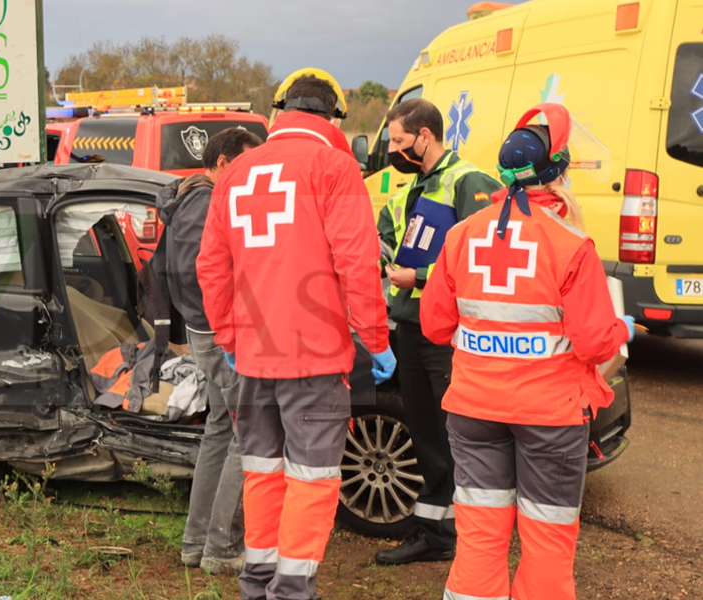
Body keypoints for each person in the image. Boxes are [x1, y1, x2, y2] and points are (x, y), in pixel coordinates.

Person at [420, 103, 634, 600]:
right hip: (550, 417)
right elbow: (594, 341)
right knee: (546, 544)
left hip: (473, 410)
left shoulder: (459, 236)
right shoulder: (571, 245)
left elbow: (434, 325)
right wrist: (620, 327)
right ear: (558, 171)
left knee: (479, 537)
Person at [197, 69, 395, 600]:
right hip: (314, 359)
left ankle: (257, 583)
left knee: (262, 473)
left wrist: (229, 340)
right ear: (333, 118)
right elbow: (357, 263)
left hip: (254, 358)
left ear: (278, 110)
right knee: (312, 479)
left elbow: (211, 268)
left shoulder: (237, 173)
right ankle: (291, 591)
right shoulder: (335, 167)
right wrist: (375, 340)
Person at [375, 99, 502, 565]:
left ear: (425, 136)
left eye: (399, 141)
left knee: (457, 435)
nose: (393, 149)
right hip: (409, 327)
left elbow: (482, 257)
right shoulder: (412, 187)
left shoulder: (467, 181)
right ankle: (433, 530)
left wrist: (420, 278)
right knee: (426, 432)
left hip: (445, 334)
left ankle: (469, 536)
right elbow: (388, 233)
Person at [158, 127, 264, 575]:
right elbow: (205, 270)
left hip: (205, 331)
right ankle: (222, 548)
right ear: (223, 164)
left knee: (221, 430)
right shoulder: (208, 202)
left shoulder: (186, 197)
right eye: (245, 163)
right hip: (222, 334)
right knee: (248, 434)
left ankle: (195, 542)